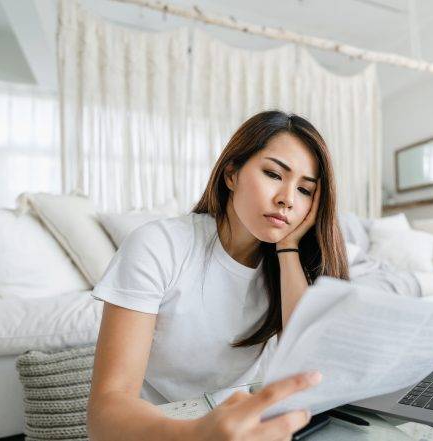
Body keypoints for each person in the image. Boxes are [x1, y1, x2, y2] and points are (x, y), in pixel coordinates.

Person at [87, 110, 350, 440]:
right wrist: (197, 434)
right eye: (273, 174)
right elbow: (104, 415)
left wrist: (288, 248)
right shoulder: (159, 245)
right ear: (231, 174)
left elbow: (307, 370)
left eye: (305, 190)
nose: (287, 199)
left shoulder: (286, 267)